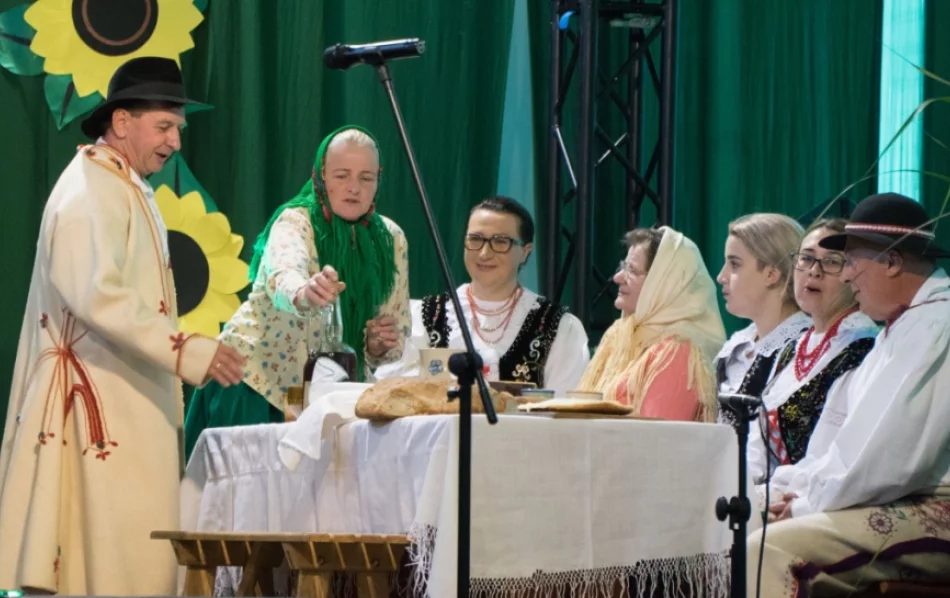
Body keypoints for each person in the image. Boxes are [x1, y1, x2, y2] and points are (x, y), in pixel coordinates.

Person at [0, 57, 246, 596]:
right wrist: (187, 351)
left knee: (125, 557)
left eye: (178, 128)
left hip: (122, 394)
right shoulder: (91, 189)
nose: (174, 142)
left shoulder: (122, 183)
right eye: (164, 126)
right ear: (121, 123)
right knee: (105, 562)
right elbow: (96, 293)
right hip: (96, 399)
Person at [747, 193, 950, 598]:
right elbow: (838, 448)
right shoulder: (900, 328)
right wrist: (788, 490)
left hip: (935, 510)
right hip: (886, 497)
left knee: (769, 551)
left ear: (893, 262)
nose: (849, 276)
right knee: (742, 531)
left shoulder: (937, 325)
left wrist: (803, 505)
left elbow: (889, 462)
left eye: (853, 261)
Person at [183, 125, 410, 460]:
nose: (353, 188)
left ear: (379, 179)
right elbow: (283, 273)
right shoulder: (296, 221)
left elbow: (395, 328)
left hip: (325, 401)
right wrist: (305, 291)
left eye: (366, 178)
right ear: (320, 176)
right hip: (255, 386)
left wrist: (377, 345)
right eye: (341, 175)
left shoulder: (390, 239)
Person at [396, 196, 588, 393]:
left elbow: (565, 410)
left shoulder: (559, 327)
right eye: (475, 239)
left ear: (525, 252)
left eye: (500, 242)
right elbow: (398, 391)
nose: (484, 254)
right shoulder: (426, 316)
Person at [748, 218, 877, 483]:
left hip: (820, 496)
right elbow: (756, 451)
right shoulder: (793, 348)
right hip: (774, 492)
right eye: (806, 258)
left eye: (831, 262)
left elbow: (839, 455)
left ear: (852, 273)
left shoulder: (862, 346)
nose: (813, 271)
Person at [577, 227, 725, 421]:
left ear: (664, 284)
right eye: (623, 266)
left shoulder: (679, 352)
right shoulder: (620, 335)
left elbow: (655, 440)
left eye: (632, 270)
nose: (617, 277)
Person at [715, 213, 811, 425]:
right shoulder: (737, 346)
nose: (721, 276)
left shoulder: (804, 348)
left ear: (771, 274)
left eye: (735, 264)